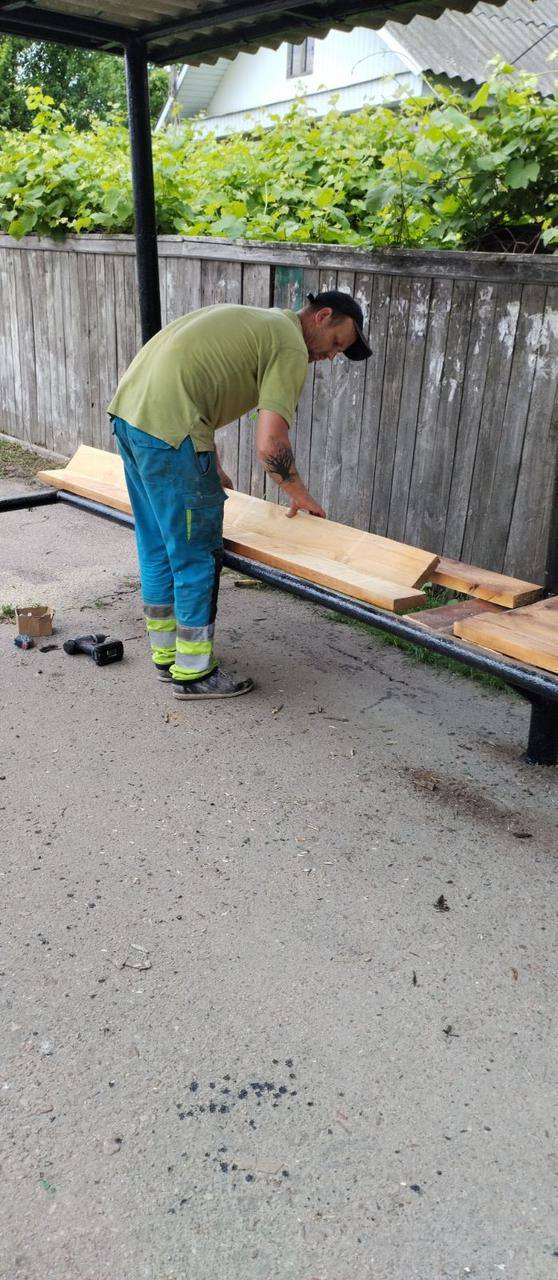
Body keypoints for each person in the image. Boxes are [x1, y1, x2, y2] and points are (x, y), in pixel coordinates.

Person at [107, 289, 371, 700]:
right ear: (322, 316)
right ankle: (194, 673)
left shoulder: (255, 322)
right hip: (171, 434)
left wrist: (211, 464)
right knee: (197, 555)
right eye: (337, 343)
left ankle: (167, 656)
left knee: (157, 543)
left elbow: (195, 384)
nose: (331, 356)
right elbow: (270, 443)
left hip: (131, 418)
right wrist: (299, 494)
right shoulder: (289, 344)